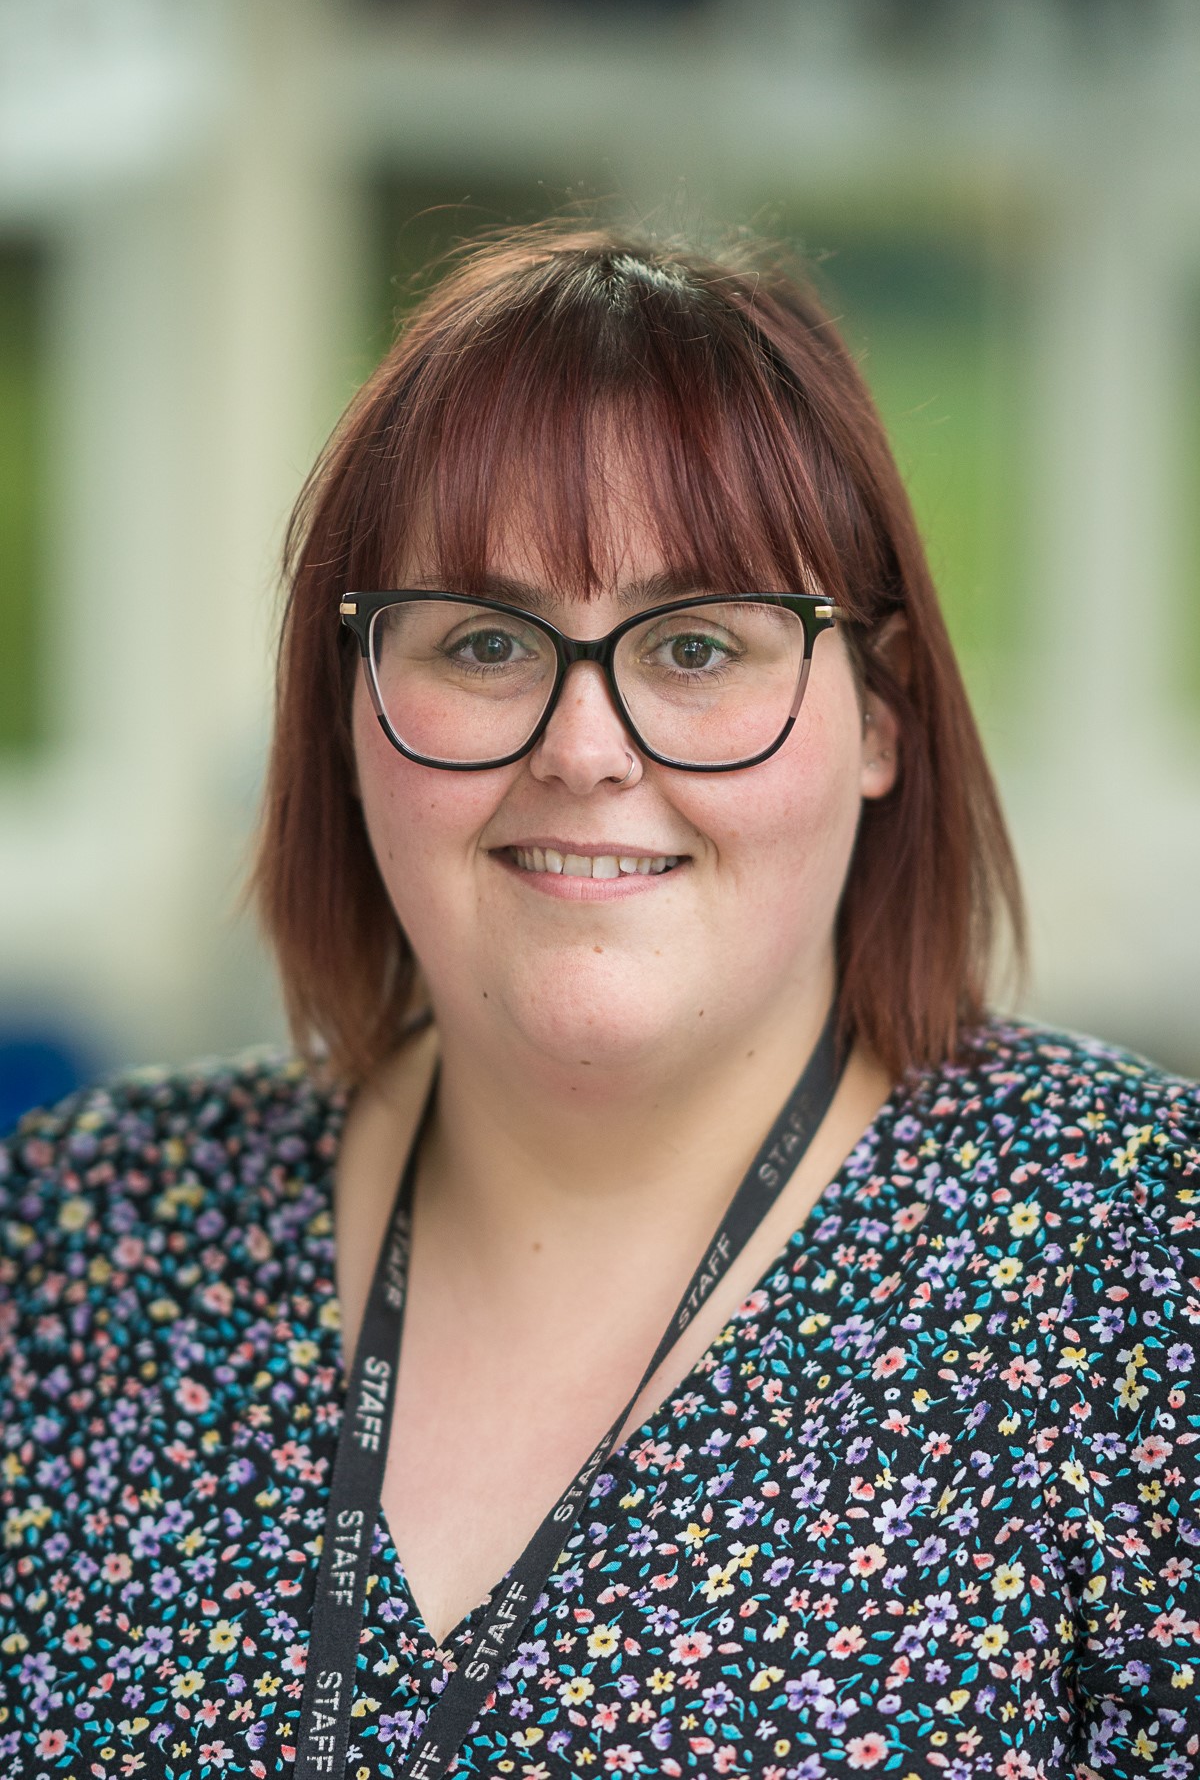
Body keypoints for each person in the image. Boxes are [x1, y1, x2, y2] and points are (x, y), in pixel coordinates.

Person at [1, 225, 1197, 1780]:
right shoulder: (68, 1253)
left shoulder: (1140, 1268)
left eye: (698, 644)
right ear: (346, 711)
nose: (585, 745)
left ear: (881, 713)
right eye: (486, 642)